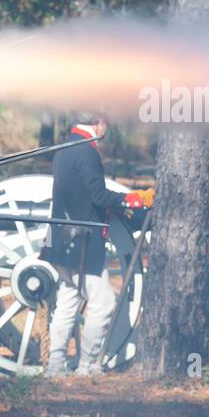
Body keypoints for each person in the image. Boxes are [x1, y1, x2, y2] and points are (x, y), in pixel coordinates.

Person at [42, 113, 149, 376]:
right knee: (103, 303)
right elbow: (97, 195)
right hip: (83, 239)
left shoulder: (65, 147)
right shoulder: (87, 151)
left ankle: (55, 365)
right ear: (101, 121)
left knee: (68, 300)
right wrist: (133, 199)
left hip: (60, 236)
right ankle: (87, 365)